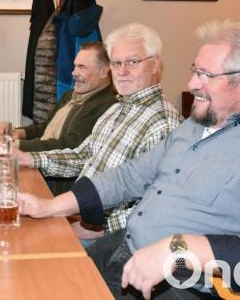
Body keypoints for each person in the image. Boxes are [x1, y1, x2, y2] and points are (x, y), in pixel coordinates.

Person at [18, 20, 240, 299]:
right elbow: (130, 176)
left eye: (206, 75)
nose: (192, 83)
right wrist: (49, 206)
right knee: (32, 279)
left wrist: (183, 249)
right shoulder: (195, 125)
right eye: (195, 70)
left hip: (178, 285)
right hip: (124, 247)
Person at [16, 23, 181, 239]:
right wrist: (30, 158)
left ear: (155, 64)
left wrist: (102, 229)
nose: (122, 71)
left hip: (114, 236)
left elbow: (158, 204)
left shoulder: (163, 123)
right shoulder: (116, 109)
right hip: (81, 213)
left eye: (132, 62)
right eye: (116, 63)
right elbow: (82, 156)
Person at [9, 42, 117, 195]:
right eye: (75, 66)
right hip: (38, 164)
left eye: (82, 67)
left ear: (104, 71)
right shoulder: (71, 95)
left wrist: (20, 145)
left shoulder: (106, 105)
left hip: (58, 182)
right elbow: (46, 127)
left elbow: (70, 144)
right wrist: (20, 133)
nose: (73, 73)